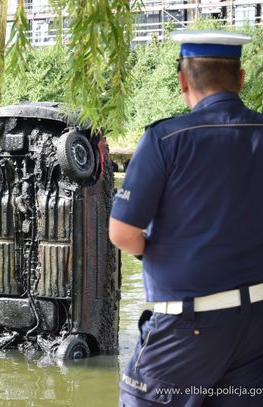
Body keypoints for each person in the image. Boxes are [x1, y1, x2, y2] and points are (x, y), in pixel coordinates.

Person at [109, 30, 263, 406]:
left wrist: (154, 252)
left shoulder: (165, 140)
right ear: (241, 79)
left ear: (182, 80)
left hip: (187, 328)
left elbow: (122, 232)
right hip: (256, 325)